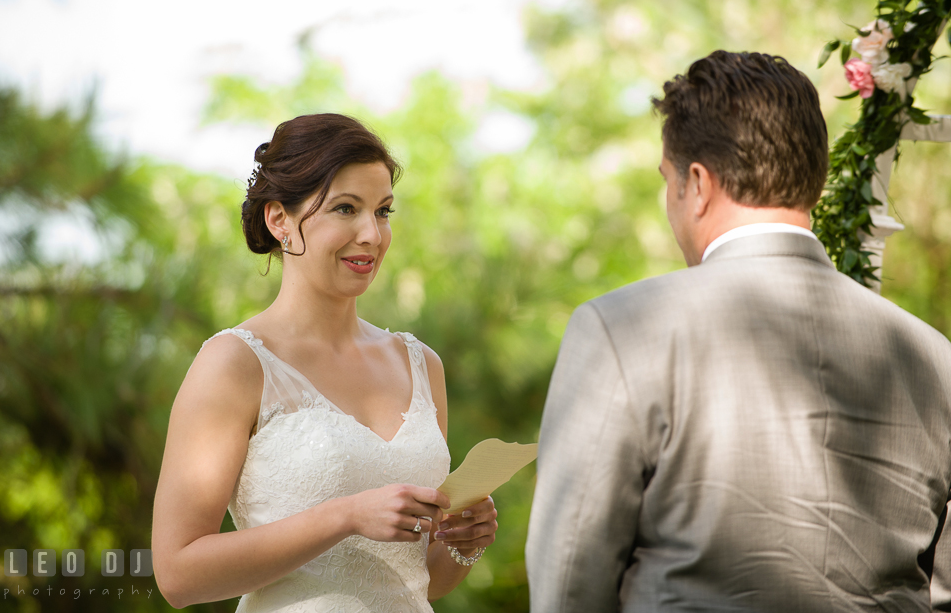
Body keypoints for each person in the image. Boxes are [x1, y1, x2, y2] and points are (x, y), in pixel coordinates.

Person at [525, 50, 951, 612]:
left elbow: (570, 575)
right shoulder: (933, 356)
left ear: (696, 185)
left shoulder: (622, 328)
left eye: (668, 180)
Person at [151, 113, 497, 612]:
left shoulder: (421, 365)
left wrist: (462, 542)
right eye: (344, 209)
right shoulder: (235, 363)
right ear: (279, 220)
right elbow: (178, 575)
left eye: (382, 211)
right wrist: (345, 516)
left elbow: (423, 579)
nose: (371, 235)